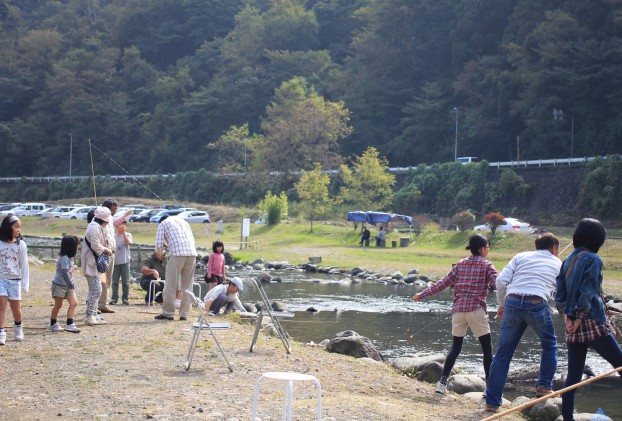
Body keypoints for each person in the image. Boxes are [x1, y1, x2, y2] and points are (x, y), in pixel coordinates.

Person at [484, 233, 561, 412]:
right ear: (553, 248)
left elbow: (501, 281)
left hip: (512, 301)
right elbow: (561, 291)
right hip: (536, 303)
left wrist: (501, 305)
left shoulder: (520, 257)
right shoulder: (559, 263)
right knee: (550, 346)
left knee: (503, 353)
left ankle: (492, 402)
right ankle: (544, 386)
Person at [413, 234, 497, 395]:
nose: (488, 250)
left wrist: (421, 294)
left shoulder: (460, 264)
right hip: (476, 311)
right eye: (488, 247)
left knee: (455, 348)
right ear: (481, 249)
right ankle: (490, 389)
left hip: (459, 311)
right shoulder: (487, 265)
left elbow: (442, 284)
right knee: (487, 350)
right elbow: (498, 283)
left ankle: (442, 384)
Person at [555, 218, 622, 421]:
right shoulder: (593, 259)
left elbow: (559, 294)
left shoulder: (567, 260)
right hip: (591, 321)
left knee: (573, 377)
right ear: (597, 239)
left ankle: (567, 418)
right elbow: (588, 290)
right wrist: (579, 316)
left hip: (573, 326)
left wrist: (568, 317)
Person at [154, 216, 197, 321]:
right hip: (192, 253)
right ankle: (184, 314)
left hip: (177, 254)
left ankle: (168, 313)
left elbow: (159, 245)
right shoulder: (184, 222)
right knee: (187, 286)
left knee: (170, 285)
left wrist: (162, 253)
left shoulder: (163, 224)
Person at [97, 199, 132, 314]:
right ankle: (98, 304)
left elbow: (115, 223)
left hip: (111, 255)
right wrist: (124, 216)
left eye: (115, 210)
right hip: (103, 256)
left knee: (107, 281)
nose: (113, 212)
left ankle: (103, 304)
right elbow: (115, 223)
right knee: (102, 280)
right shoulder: (101, 221)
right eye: (112, 209)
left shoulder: (109, 220)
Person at [81, 207, 114, 326]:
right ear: (104, 220)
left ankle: (94, 314)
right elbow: (95, 245)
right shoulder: (94, 228)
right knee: (96, 290)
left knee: (95, 290)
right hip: (91, 263)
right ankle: (89, 316)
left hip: (94, 263)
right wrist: (107, 250)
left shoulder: (96, 226)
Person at [0, 214, 30, 345]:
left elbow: (24, 264)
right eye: (16, 227)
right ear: (8, 227)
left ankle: (18, 326)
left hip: (15, 280)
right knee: (1, 306)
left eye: (20, 227)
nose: (18, 230)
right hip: (1, 278)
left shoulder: (21, 245)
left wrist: (25, 284)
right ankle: (1, 332)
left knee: (16, 308)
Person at [50, 235, 81, 333]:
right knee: (58, 305)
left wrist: (70, 284)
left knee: (74, 303)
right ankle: (53, 323)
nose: (78, 247)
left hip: (68, 286)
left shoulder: (70, 258)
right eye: (76, 245)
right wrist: (71, 284)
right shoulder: (64, 258)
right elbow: (65, 272)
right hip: (59, 285)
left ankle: (70, 323)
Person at [109, 221, 132, 305]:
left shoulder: (128, 235)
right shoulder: (113, 236)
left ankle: (125, 298)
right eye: (120, 224)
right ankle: (114, 298)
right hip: (115, 262)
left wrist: (124, 233)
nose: (122, 226)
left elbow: (127, 243)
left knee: (125, 281)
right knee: (115, 281)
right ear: (116, 226)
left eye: (124, 224)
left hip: (125, 261)